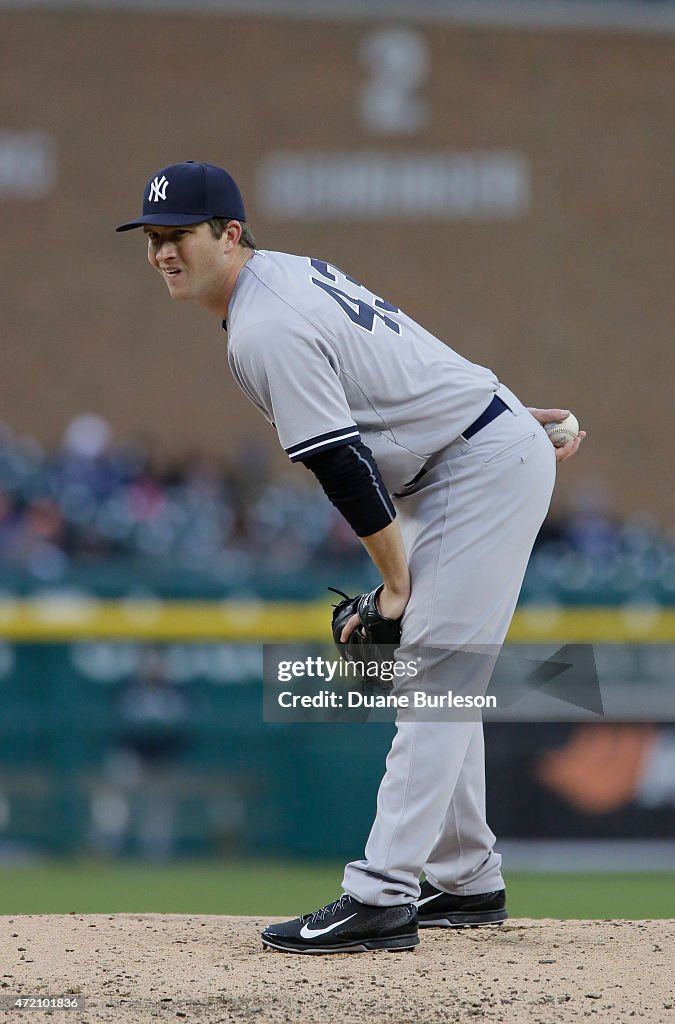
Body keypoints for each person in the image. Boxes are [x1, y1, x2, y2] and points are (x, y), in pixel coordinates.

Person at [117, 160, 585, 954]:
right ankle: (468, 879)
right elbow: (396, 366)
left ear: (230, 235)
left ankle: (380, 895)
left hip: (473, 466)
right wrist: (491, 409)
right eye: (154, 238)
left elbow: (341, 465)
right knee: (439, 677)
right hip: (470, 452)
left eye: (180, 235)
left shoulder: (265, 326)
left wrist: (394, 589)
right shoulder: (282, 278)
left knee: (432, 675)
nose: (164, 252)